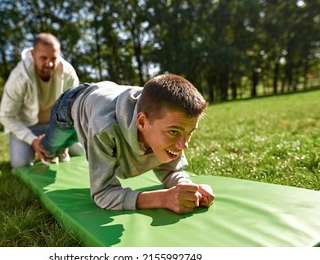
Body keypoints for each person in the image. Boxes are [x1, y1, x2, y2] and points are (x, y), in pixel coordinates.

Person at [38, 74, 215, 214]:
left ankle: (72, 142)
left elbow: (171, 170)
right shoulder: (105, 127)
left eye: (189, 133)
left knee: (74, 145)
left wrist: (189, 189)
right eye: (174, 132)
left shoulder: (162, 119)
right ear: (142, 123)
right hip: (69, 104)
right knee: (51, 146)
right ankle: (40, 142)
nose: (184, 145)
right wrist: (162, 199)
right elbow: (102, 193)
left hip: (103, 94)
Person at [0, 33, 83, 168]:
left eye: (53, 58)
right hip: (27, 126)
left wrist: (65, 137)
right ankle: (37, 149)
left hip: (56, 126)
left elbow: (74, 109)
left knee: (80, 152)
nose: (49, 63)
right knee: (20, 163)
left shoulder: (69, 73)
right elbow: (6, 116)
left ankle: (53, 148)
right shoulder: (19, 76)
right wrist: (32, 140)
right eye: (43, 58)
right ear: (33, 54)